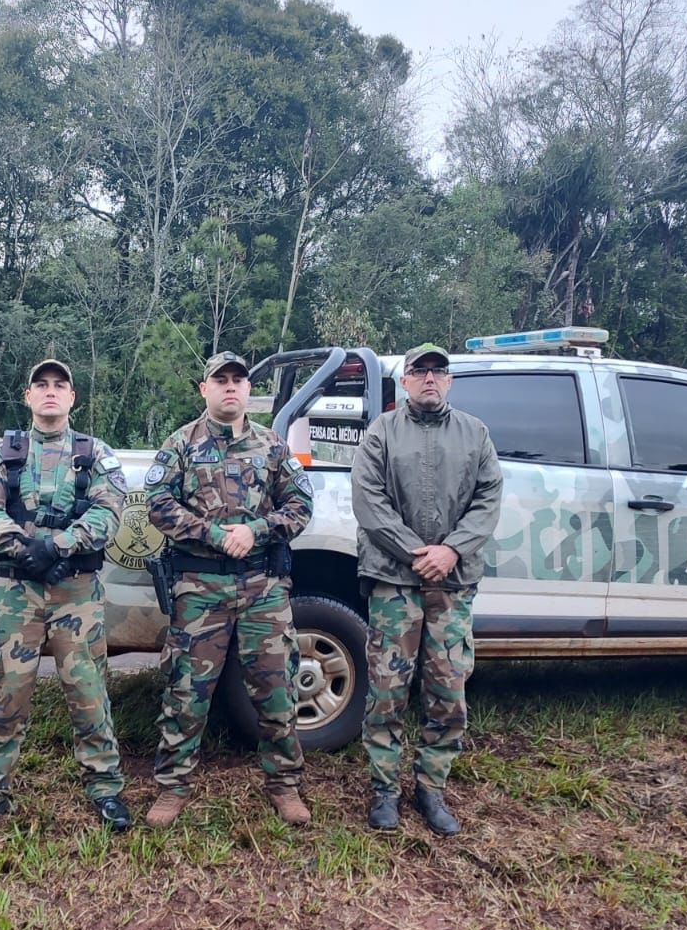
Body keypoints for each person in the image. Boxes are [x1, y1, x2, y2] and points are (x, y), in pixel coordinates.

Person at [0, 359, 132, 835]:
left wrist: (57, 546)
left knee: (88, 690)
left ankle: (105, 788)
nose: (51, 392)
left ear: (73, 398)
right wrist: (25, 550)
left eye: (60, 386)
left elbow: (108, 511)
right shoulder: (4, 451)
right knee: (6, 691)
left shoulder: (94, 453)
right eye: (42, 385)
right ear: (28, 395)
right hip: (18, 591)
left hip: (76, 590)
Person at [143, 351, 314, 829]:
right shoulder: (179, 445)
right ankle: (173, 787)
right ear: (205, 389)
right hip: (200, 587)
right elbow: (157, 505)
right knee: (186, 692)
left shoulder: (272, 446)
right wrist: (214, 533)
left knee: (277, 688)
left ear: (247, 390)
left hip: (262, 585)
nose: (231, 387)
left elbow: (301, 504)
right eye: (221, 380)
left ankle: (284, 784)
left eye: (239, 380)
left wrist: (256, 531)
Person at [351, 342, 503, 836]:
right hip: (395, 582)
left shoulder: (475, 434)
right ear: (405, 380)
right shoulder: (382, 433)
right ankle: (384, 791)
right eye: (420, 371)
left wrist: (452, 550)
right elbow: (369, 501)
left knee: (447, 690)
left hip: (453, 584)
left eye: (439, 371)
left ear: (450, 380)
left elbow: (488, 499)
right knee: (386, 691)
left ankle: (432, 787)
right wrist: (419, 553)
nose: (430, 378)